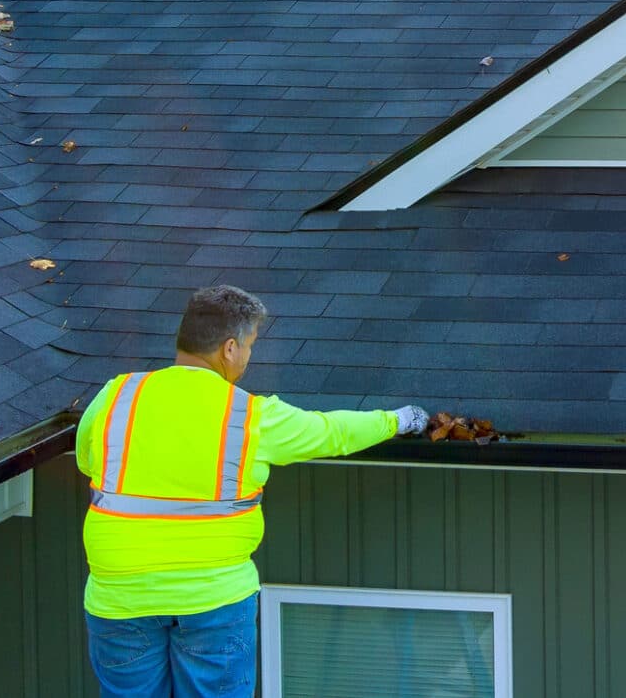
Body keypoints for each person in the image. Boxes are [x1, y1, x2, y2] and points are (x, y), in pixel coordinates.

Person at [75, 284, 427, 698]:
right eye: (249, 345)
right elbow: (332, 432)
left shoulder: (115, 396)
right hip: (213, 600)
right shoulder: (249, 416)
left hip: (119, 599)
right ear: (228, 349)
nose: (248, 356)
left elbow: (86, 461)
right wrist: (400, 420)